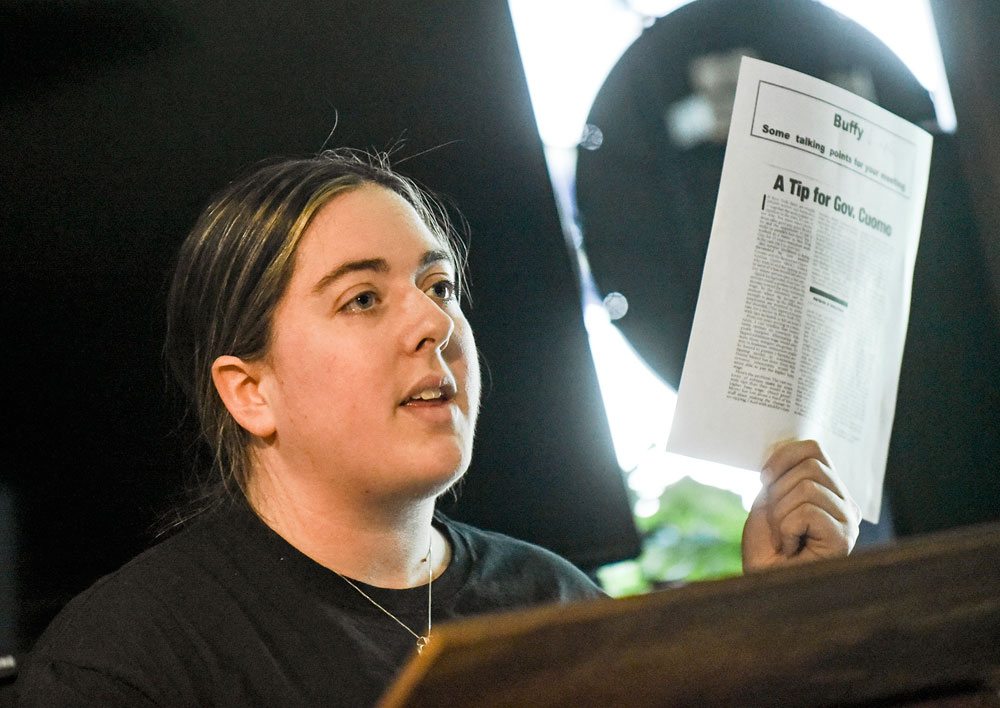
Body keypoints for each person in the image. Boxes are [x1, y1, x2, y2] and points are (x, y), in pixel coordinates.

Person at [17, 149, 860, 706]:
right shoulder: (123, 662)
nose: (433, 323)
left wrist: (782, 618)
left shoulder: (554, 601)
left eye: (440, 287)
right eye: (362, 298)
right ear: (250, 393)